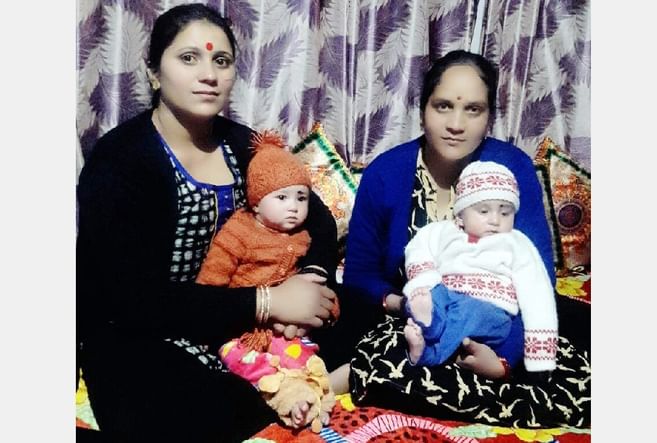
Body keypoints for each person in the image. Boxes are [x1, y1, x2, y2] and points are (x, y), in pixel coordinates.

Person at [76, 4, 339, 442]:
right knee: (184, 414)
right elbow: (130, 300)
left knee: (372, 319)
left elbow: (320, 217)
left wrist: (308, 284)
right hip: (150, 333)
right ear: (154, 73)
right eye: (188, 58)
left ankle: (303, 381)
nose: (209, 74)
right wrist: (269, 302)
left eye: (221, 60)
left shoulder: (245, 146)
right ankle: (303, 386)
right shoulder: (120, 159)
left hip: (253, 328)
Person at [342, 49, 590, 428]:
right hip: (418, 321)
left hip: (503, 320)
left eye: (473, 110)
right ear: (422, 110)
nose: (456, 124)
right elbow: (360, 275)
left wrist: (504, 360)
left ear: (489, 117)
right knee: (381, 353)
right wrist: (409, 305)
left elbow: (535, 279)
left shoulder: (512, 168)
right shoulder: (386, 173)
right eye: (443, 106)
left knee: (573, 375)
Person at [196, 130, 338, 430]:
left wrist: (324, 305)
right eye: (282, 198)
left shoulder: (302, 237)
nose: (293, 206)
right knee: (255, 368)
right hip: (241, 330)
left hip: (283, 329)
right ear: (257, 203)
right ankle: (289, 402)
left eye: (301, 198)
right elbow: (210, 285)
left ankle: (317, 399)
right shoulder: (238, 232)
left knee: (304, 359)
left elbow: (313, 284)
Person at [402, 161, 558, 372]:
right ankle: (429, 319)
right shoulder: (442, 231)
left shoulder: (516, 243)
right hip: (447, 293)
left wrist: (540, 356)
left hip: (490, 309)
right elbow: (418, 248)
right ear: (461, 214)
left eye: (505, 213)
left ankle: (429, 353)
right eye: (483, 211)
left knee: (469, 313)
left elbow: (537, 292)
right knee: (426, 295)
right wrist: (424, 280)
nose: (495, 220)